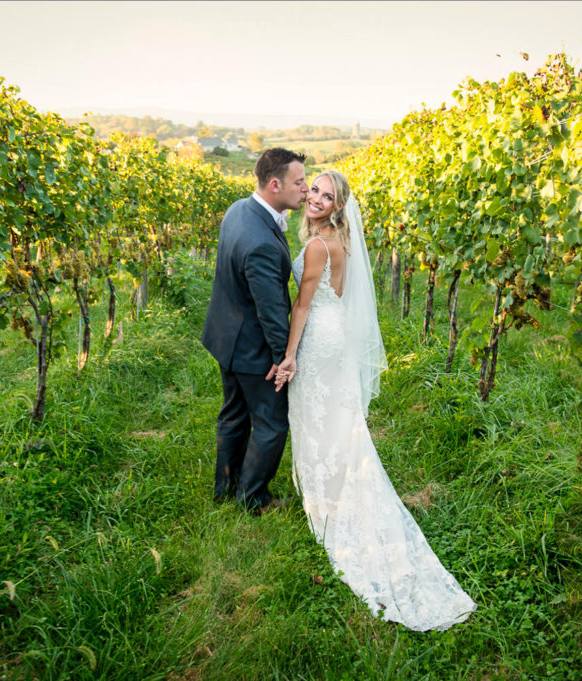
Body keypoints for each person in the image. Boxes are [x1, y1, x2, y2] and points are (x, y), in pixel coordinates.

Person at [275, 170, 476, 631]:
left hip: (319, 341)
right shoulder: (339, 245)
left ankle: (327, 504)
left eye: (327, 196)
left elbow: (302, 306)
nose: (316, 200)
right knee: (338, 421)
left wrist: (288, 358)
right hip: (338, 338)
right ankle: (333, 490)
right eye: (315, 192)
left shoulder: (314, 247)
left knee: (318, 416)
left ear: (338, 206)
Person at [201, 148, 308, 513]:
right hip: (251, 348)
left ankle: (225, 487)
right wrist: (283, 360)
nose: (306, 189)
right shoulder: (262, 243)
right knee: (271, 423)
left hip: (225, 336)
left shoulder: (238, 209)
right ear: (275, 184)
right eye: (299, 181)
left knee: (233, 412)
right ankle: (253, 498)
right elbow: (272, 311)